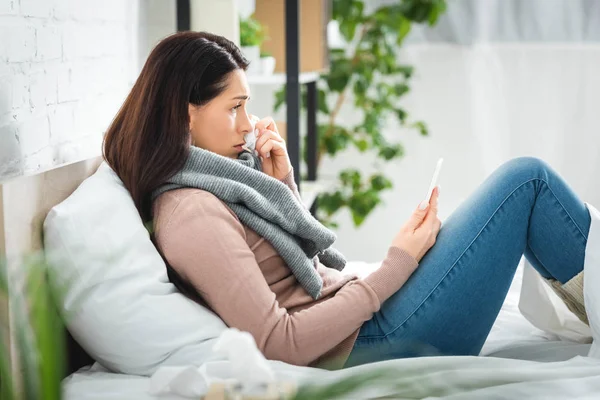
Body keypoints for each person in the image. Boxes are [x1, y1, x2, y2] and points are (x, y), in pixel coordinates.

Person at [102, 31, 591, 370]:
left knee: (522, 181)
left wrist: (284, 183)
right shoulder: (190, 213)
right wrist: (396, 266)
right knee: (525, 181)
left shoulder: (217, 182)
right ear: (185, 114)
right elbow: (279, 343)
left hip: (364, 315)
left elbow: (295, 270)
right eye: (235, 107)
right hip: (375, 341)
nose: (250, 124)